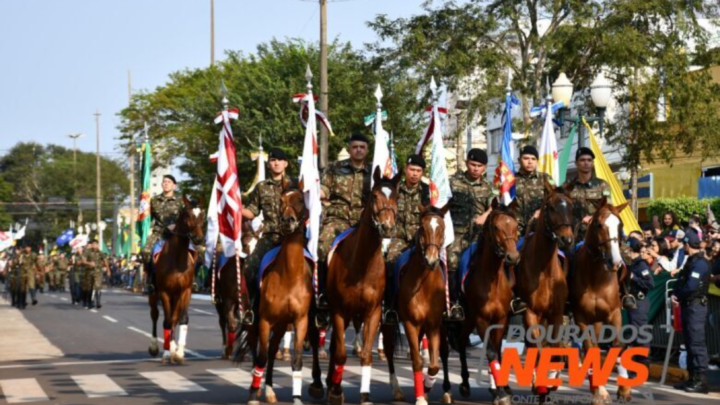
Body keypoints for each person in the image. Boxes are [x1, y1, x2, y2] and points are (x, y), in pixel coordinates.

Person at [316, 134, 372, 311]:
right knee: (322, 247)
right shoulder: (335, 168)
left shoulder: (373, 172)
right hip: (337, 220)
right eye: (355, 147)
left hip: (363, 222)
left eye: (362, 147)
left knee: (383, 254)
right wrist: (317, 191)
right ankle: (323, 292)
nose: (358, 150)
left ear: (367, 150)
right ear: (349, 149)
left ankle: (382, 298)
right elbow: (325, 188)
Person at [240, 147, 295, 324]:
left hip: (294, 238)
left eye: (280, 160)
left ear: (286, 163)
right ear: (269, 164)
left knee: (316, 263)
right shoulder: (261, 187)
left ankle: (316, 310)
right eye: (273, 160)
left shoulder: (295, 185)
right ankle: (253, 308)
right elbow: (252, 211)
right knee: (249, 268)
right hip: (271, 236)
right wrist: (237, 209)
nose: (276, 163)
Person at [447, 148, 498, 321]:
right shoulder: (453, 182)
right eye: (473, 164)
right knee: (452, 261)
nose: (475, 168)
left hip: (479, 237)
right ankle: (454, 304)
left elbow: (496, 206)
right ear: (467, 163)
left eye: (479, 166)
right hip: (456, 235)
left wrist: (485, 215)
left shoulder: (489, 187)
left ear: (484, 167)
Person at [383, 154, 430, 325]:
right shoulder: (395, 189)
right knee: (390, 263)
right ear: (405, 170)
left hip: (422, 240)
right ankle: (390, 307)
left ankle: (442, 306)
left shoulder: (428, 192)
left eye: (418, 171)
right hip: (399, 239)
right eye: (412, 170)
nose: (415, 174)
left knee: (437, 265)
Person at [671, 229, 711, 393]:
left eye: (684, 244)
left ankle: (700, 381)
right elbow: (681, 281)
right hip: (688, 305)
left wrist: (678, 295)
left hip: (696, 306)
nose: (683, 247)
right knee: (689, 342)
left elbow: (691, 286)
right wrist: (675, 293)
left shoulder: (700, 263)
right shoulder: (691, 261)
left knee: (696, 343)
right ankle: (691, 378)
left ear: (688, 244)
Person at [142, 174, 183, 293]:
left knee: (197, 251)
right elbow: (148, 218)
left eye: (169, 182)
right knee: (146, 251)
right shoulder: (154, 201)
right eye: (164, 182)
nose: (166, 184)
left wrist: (177, 226)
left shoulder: (181, 200)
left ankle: (193, 279)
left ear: (174, 185)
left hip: (177, 234)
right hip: (159, 233)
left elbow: (186, 217)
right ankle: (150, 279)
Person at [563, 147, 611, 240]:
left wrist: (593, 217)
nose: (586, 163)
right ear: (576, 163)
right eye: (582, 160)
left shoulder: (602, 185)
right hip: (572, 235)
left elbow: (608, 210)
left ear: (592, 163)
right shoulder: (567, 186)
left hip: (595, 235)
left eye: (589, 160)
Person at [625, 238, 654, 371]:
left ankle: (643, 366)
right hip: (633, 303)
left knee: (641, 335)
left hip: (640, 302)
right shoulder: (631, 264)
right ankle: (636, 365)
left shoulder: (641, 265)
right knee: (635, 334)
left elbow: (649, 283)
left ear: (630, 250)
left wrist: (634, 278)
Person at [513, 145, 554, 236]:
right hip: (515, 230)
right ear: (519, 160)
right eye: (526, 158)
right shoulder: (511, 179)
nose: (530, 162)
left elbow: (555, 200)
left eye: (533, 159)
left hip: (539, 228)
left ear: (537, 162)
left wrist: (541, 210)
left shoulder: (545, 178)